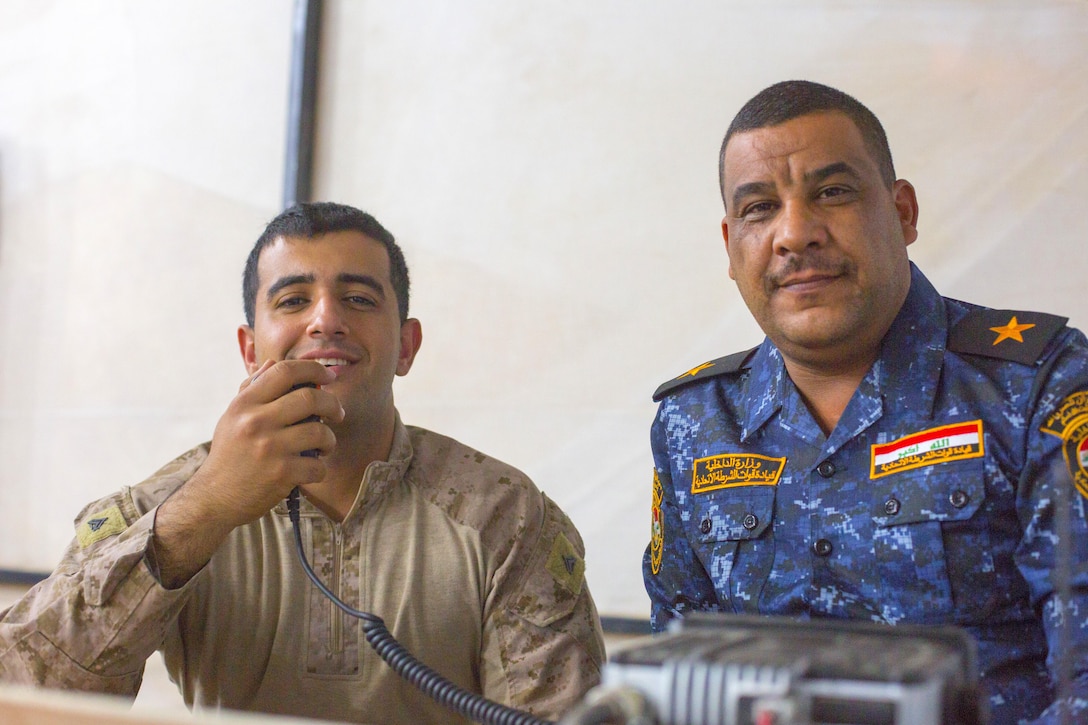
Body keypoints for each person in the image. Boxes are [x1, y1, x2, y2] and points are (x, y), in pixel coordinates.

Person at [0, 202, 605, 723]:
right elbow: (22, 691)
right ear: (249, 348)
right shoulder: (157, 510)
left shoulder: (506, 514)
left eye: (358, 298)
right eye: (293, 300)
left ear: (406, 345)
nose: (325, 319)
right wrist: (205, 508)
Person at [643, 80, 1088, 724]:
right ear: (731, 246)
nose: (795, 234)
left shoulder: (1037, 385)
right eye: (760, 209)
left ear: (903, 213)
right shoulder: (695, 422)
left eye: (832, 192)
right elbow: (673, 676)